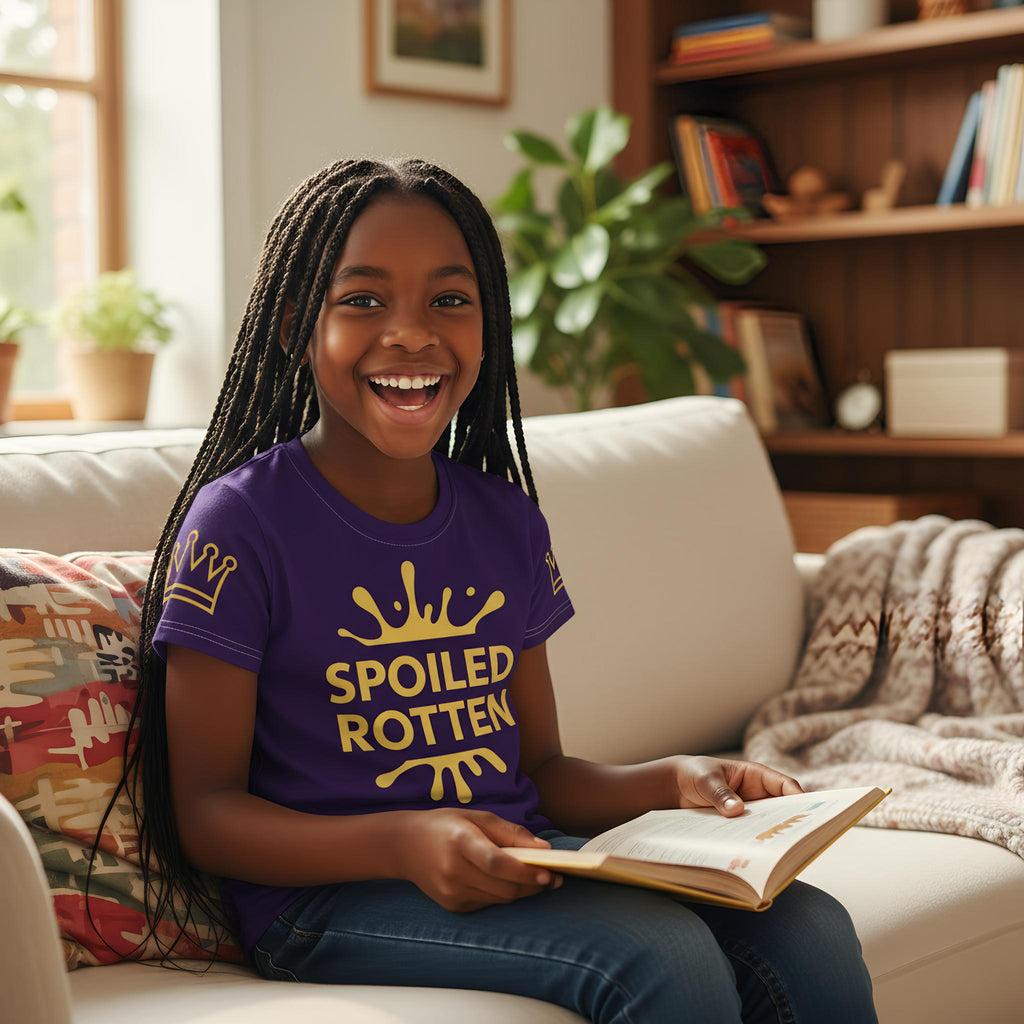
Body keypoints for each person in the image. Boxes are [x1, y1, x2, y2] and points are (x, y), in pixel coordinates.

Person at [118, 157, 878, 1022]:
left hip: (521, 856)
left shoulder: (504, 519)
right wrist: (403, 842)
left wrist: (672, 780)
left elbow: (541, 770)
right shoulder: (240, 524)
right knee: (661, 960)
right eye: (363, 300)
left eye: (450, 300)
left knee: (808, 929)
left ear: (487, 327)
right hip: (323, 901)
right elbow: (207, 816)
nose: (410, 334)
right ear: (297, 325)